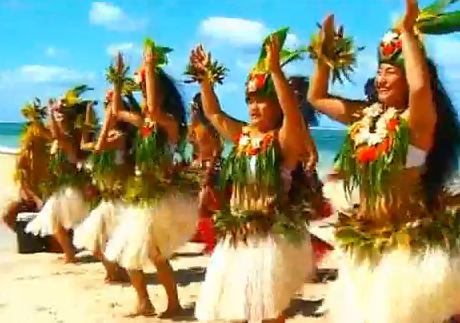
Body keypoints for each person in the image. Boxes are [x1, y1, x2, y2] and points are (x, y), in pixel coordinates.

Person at [307, 1, 460, 321]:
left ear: (408, 76)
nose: (380, 79)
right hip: (367, 241)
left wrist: (407, 32)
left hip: (407, 246)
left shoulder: (416, 124)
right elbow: (316, 97)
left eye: (389, 71)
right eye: (378, 71)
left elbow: (420, 89)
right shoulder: (366, 117)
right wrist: (326, 55)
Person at [191, 28, 316, 323]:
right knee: (235, 310)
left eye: (262, 100)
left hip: (268, 239)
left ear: (276, 105)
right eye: (250, 100)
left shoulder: (285, 141)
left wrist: (275, 71)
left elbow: (294, 115)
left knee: (269, 313)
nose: (253, 107)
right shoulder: (243, 136)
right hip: (238, 235)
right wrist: (205, 80)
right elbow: (215, 114)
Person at [103, 42, 199, 317]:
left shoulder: (170, 123)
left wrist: (149, 67)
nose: (143, 97)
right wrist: (119, 81)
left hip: (159, 197)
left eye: (145, 90)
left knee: (157, 255)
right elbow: (117, 112)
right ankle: (143, 301)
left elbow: (154, 111)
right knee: (128, 252)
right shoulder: (142, 123)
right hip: (140, 195)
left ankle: (174, 304)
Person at [73, 54, 138, 283]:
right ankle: (116, 274)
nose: (106, 109)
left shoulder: (120, 137)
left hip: (120, 199)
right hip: (108, 198)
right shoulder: (111, 134)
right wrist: (89, 122)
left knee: (110, 242)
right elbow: (85, 145)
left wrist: (109, 116)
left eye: (108, 106)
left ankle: (119, 274)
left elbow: (99, 147)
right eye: (106, 106)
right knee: (96, 242)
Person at [25, 86, 94, 263]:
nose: (58, 114)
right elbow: (46, 132)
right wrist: (35, 117)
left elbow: (56, 133)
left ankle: (74, 254)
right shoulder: (58, 136)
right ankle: (70, 254)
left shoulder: (69, 136)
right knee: (55, 223)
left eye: (61, 113)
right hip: (64, 188)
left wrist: (50, 110)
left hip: (71, 189)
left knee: (69, 223)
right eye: (57, 113)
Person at [2, 99, 51, 232]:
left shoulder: (49, 155)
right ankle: (25, 235)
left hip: (48, 196)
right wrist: (35, 199)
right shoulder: (24, 157)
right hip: (31, 197)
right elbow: (23, 183)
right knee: (7, 214)